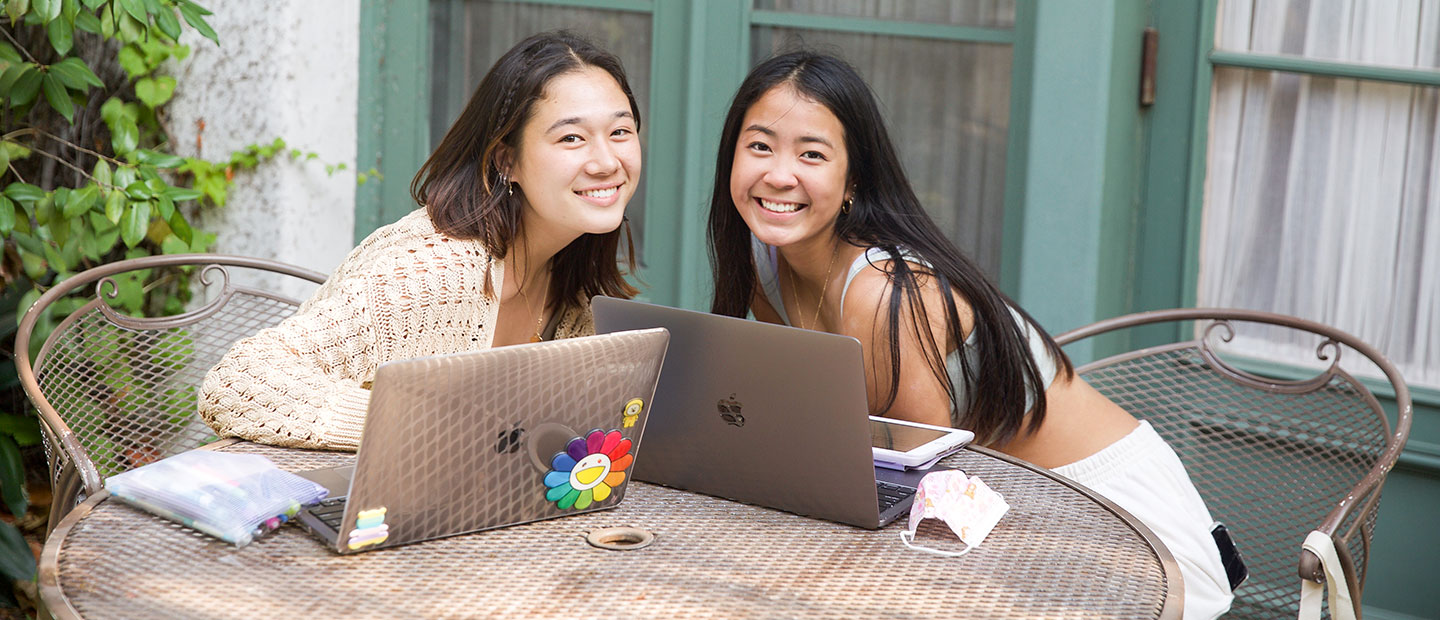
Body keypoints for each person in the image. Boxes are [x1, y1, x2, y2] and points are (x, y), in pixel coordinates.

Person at [707, 51, 1233, 619]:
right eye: (759, 146)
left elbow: (927, 497)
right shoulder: (768, 269)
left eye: (811, 154)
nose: (778, 174)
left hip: (1114, 526)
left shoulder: (886, 291)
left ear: (852, 178)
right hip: (1002, 512)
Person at [200, 31, 642, 451]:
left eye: (620, 132)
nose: (606, 161)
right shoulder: (432, 271)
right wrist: (424, 424)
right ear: (506, 160)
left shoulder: (572, 283)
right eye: (571, 138)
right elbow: (239, 382)